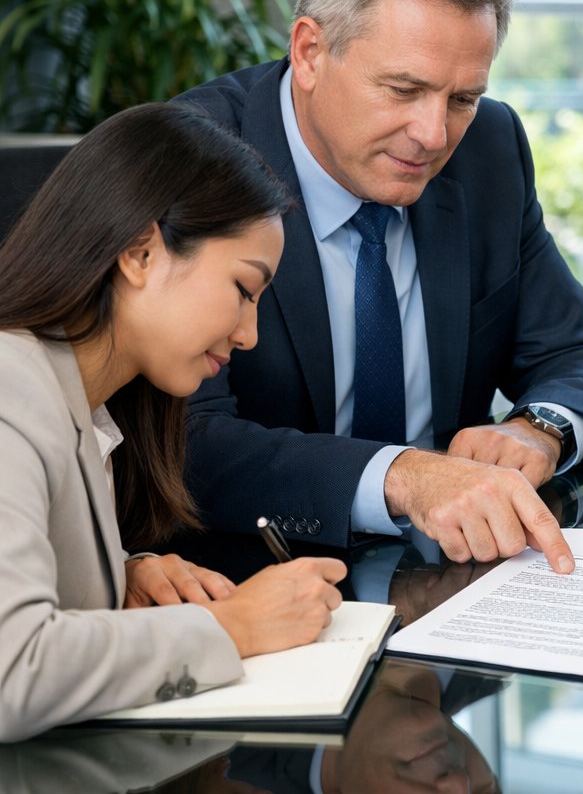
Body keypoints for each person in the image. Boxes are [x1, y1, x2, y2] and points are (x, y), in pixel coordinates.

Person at [176, 0, 583, 568]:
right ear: (309, 52)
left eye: (462, 99)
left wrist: (539, 429)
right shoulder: (189, 160)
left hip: (456, 570)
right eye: (404, 90)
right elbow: (187, 442)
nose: (433, 135)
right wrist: (404, 478)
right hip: (253, 574)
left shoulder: (489, 149)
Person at [0, 104, 346, 742]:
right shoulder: (10, 392)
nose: (249, 334)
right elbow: (11, 671)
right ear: (140, 253)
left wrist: (120, 574)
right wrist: (234, 626)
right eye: (243, 289)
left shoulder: (82, 405)